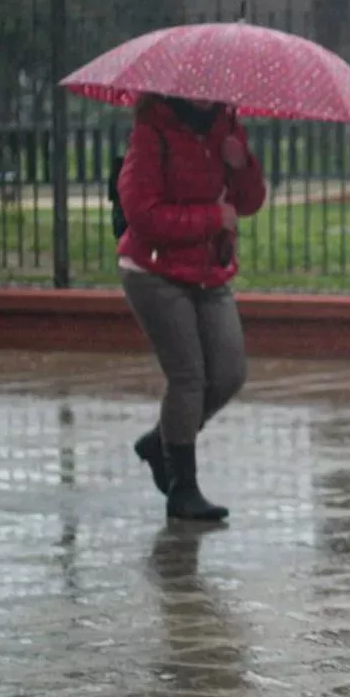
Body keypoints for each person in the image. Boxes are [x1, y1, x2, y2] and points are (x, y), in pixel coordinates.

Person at [118, 94, 266, 522]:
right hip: (154, 271)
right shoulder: (152, 131)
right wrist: (211, 219)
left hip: (208, 270)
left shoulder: (226, 124)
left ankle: (159, 442)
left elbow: (249, 202)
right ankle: (183, 489)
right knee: (189, 378)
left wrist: (242, 165)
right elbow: (141, 215)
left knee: (229, 373)